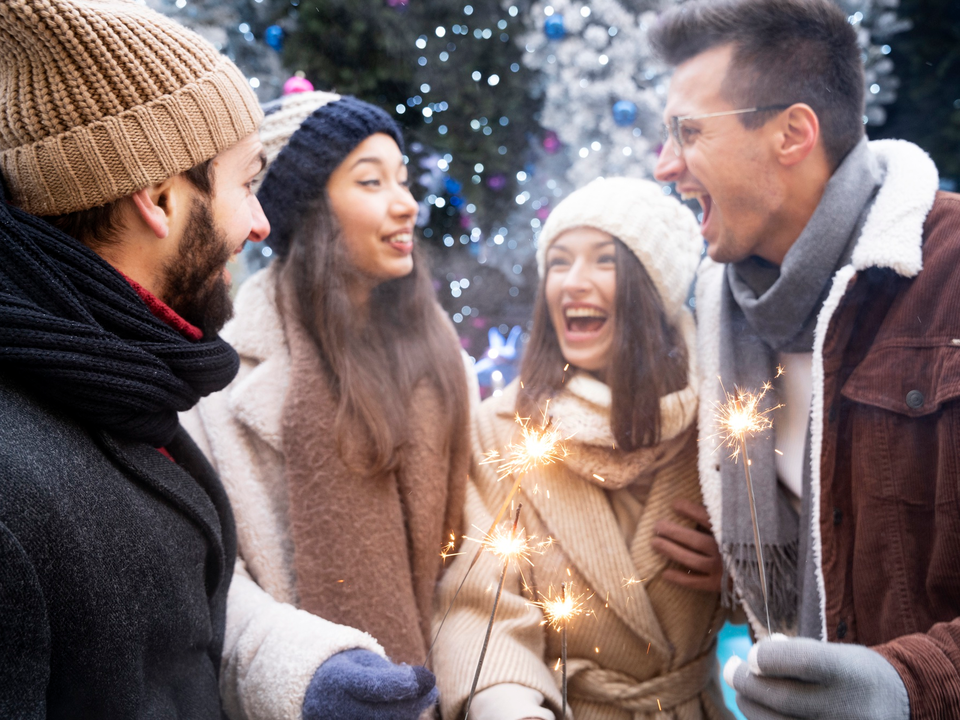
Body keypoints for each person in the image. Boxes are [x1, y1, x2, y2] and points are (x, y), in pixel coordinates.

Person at [650, 1, 960, 718]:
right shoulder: (728, 315)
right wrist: (737, 575)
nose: (665, 165)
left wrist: (907, 686)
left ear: (793, 133)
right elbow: (839, 536)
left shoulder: (949, 278)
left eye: (687, 132)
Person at [0, 0, 270, 717]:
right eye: (246, 184)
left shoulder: (123, 385)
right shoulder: (14, 487)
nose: (259, 222)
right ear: (158, 198)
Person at [181, 91, 471, 720]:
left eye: (403, 179)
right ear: (309, 209)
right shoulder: (221, 371)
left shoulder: (439, 356)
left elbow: (476, 559)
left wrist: (499, 696)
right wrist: (313, 676)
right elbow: (215, 586)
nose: (407, 204)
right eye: (371, 181)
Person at [430, 177, 732, 720]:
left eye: (603, 262)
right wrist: (510, 707)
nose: (573, 283)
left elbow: (798, 575)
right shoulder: (504, 428)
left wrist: (738, 579)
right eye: (561, 262)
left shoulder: (718, 416)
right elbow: (479, 601)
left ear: (653, 288)